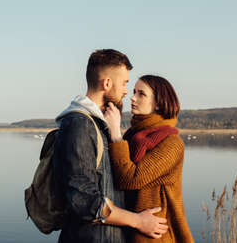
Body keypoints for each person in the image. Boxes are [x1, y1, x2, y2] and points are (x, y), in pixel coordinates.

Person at [53, 50, 168, 243]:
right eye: (124, 83)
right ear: (106, 83)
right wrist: (138, 221)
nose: (126, 91)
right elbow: (82, 200)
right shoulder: (79, 125)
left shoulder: (98, 124)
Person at [104, 75, 194, 243]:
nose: (132, 97)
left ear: (158, 103)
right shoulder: (132, 135)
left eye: (141, 94)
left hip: (156, 235)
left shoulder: (172, 143)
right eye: (133, 92)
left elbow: (129, 179)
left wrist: (115, 134)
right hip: (130, 228)